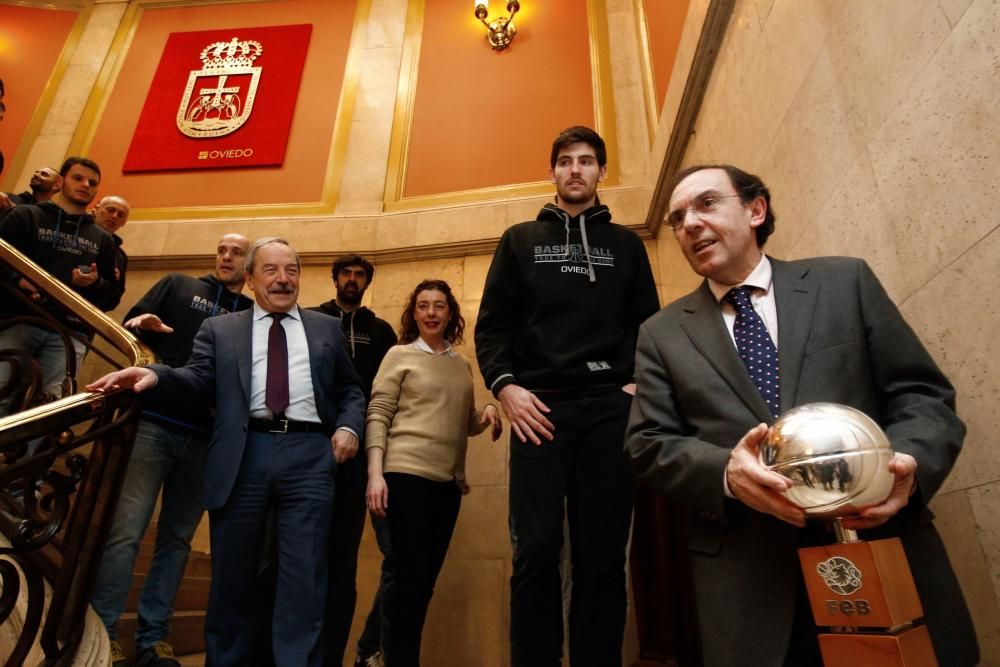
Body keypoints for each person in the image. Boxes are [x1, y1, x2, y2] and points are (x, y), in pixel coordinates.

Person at [624, 164, 979, 666]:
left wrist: (905, 470)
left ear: (755, 210)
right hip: (753, 584)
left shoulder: (843, 282)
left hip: (881, 551)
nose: (690, 225)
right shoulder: (661, 334)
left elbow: (921, 394)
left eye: (706, 204)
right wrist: (726, 472)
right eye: (678, 218)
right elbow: (649, 442)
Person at [87, 237, 366, 667]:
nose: (283, 279)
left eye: (291, 269)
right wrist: (155, 375)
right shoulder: (221, 328)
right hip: (243, 454)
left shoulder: (324, 328)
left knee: (304, 579)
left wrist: (348, 425)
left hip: (310, 456)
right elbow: (197, 380)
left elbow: (350, 389)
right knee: (232, 580)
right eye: (271, 270)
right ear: (251, 279)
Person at [475, 126, 659, 666]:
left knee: (602, 558)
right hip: (540, 411)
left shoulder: (626, 245)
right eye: (564, 162)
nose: (574, 170)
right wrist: (506, 387)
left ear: (601, 172)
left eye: (585, 161)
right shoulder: (519, 240)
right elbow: (492, 328)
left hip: (609, 411)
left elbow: (649, 326)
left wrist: (636, 386)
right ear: (552, 172)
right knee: (534, 553)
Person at [90, 233, 253, 667]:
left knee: (177, 539)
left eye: (237, 252)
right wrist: (141, 325)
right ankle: (103, 631)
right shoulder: (179, 285)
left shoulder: (253, 317)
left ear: (249, 264)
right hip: (154, 425)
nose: (226, 257)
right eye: (221, 249)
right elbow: (125, 328)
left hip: (206, 439)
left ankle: (153, 639)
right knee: (127, 532)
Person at [366, 279, 502, 666]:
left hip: (447, 485)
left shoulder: (461, 366)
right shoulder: (399, 355)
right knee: (408, 581)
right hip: (404, 476)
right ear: (414, 313)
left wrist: (486, 414)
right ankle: (393, 658)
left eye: (439, 306)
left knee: (423, 585)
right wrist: (375, 475)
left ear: (451, 313)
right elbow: (377, 414)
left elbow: (460, 421)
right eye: (423, 305)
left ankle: (380, 655)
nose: (431, 313)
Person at [311, 254, 396, 667]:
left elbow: (388, 390)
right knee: (301, 552)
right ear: (335, 278)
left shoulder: (380, 331)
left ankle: (334, 655)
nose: (352, 279)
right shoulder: (309, 318)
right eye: (346, 273)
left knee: (343, 561)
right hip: (309, 449)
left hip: (359, 454)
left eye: (360, 275)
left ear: (367, 282)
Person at [0, 156, 118, 416]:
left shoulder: (104, 241)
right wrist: (16, 278)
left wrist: (95, 283)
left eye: (93, 183)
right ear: (60, 181)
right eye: (78, 178)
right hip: (16, 320)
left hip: (70, 333)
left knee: (49, 410)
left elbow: (112, 298)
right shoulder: (24, 215)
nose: (85, 185)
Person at [91, 195, 131, 301]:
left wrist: (105, 281)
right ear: (95, 210)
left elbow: (115, 297)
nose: (114, 216)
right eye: (110, 210)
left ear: (124, 222)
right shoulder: (75, 234)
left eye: (120, 215)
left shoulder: (120, 257)